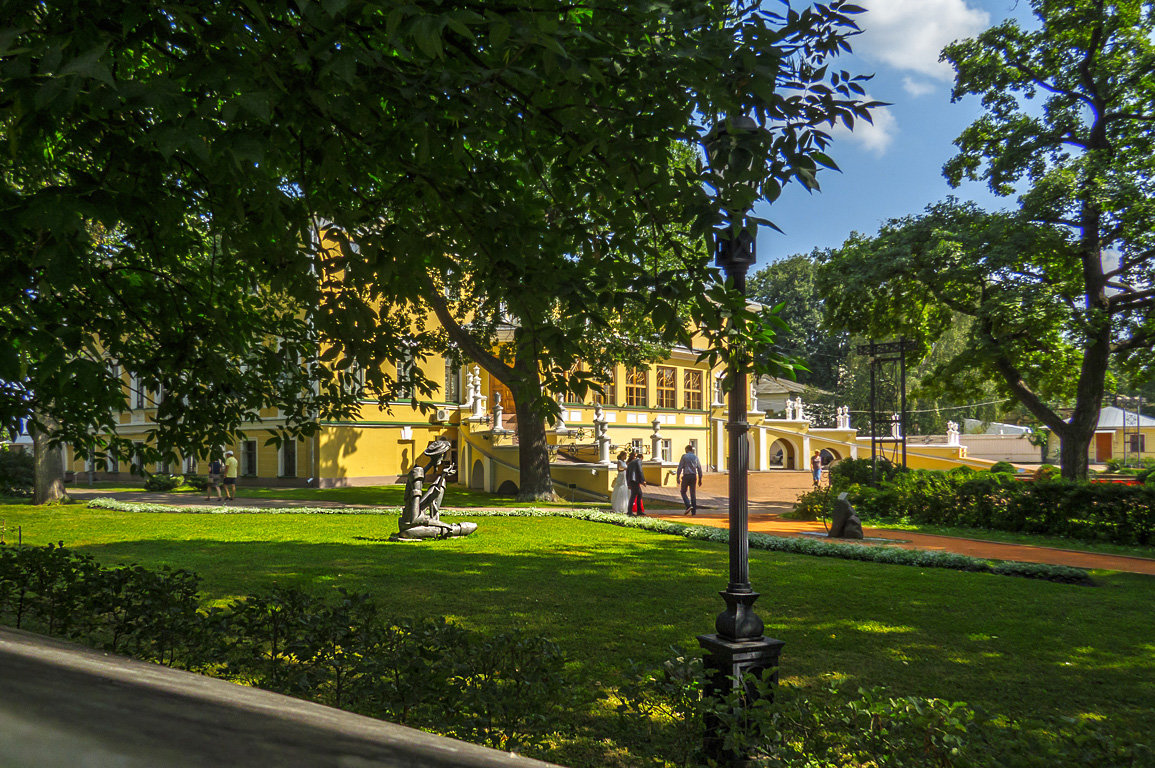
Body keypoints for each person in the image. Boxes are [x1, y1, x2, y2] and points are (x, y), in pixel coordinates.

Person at [676, 444, 703, 516]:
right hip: (694, 476)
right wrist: (700, 478)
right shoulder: (695, 457)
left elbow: (680, 467)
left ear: (687, 449)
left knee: (683, 492)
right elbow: (699, 468)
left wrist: (678, 476)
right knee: (693, 494)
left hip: (686, 476)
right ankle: (694, 512)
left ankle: (688, 505)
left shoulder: (684, 456)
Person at [625, 449, 647, 516]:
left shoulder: (631, 462)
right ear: (641, 458)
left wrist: (628, 483)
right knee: (634, 496)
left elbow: (627, 473)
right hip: (635, 481)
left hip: (632, 480)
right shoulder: (638, 461)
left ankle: (639, 510)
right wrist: (643, 480)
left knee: (639, 494)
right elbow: (640, 471)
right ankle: (630, 511)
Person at [610, 450, 630, 515]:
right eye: (625, 456)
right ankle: (618, 506)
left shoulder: (625, 462)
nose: (626, 457)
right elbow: (619, 469)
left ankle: (624, 507)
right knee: (620, 489)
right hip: (621, 476)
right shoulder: (619, 461)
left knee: (624, 489)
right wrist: (625, 469)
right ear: (622, 455)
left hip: (625, 476)